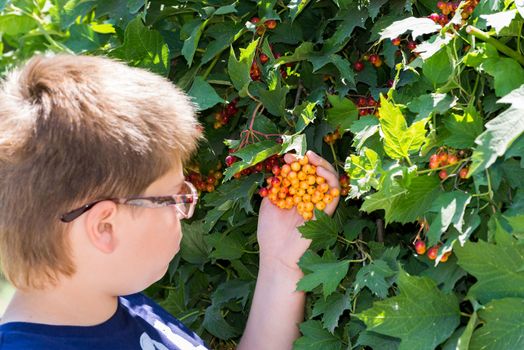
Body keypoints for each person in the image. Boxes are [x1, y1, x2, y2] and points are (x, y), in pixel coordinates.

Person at [0, 54, 340, 349]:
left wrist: (280, 267)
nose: (184, 210)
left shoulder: (122, 307)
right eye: (174, 197)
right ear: (104, 227)